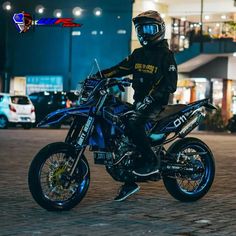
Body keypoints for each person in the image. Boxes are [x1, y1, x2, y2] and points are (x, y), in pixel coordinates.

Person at [93, 10, 178, 201]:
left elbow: (170, 83)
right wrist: (98, 77)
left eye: (149, 28)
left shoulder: (166, 55)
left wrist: (151, 97)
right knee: (118, 123)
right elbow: (119, 69)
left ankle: (150, 162)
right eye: (141, 29)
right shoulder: (138, 54)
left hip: (155, 105)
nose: (145, 33)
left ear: (159, 29)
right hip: (139, 103)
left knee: (133, 124)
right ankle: (129, 179)